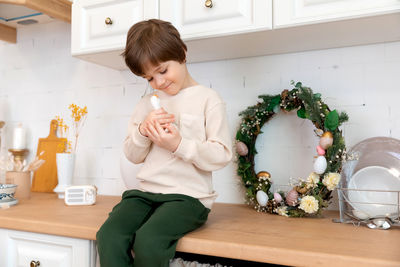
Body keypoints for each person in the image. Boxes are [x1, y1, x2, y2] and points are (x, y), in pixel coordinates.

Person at [96, 19, 232, 267]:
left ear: (182, 54)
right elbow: (132, 155)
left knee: (149, 240)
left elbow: (222, 154)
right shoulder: (147, 104)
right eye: (149, 78)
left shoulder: (208, 99)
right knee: (109, 235)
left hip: (188, 198)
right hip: (146, 193)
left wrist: (179, 144)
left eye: (162, 71)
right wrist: (142, 132)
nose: (158, 83)